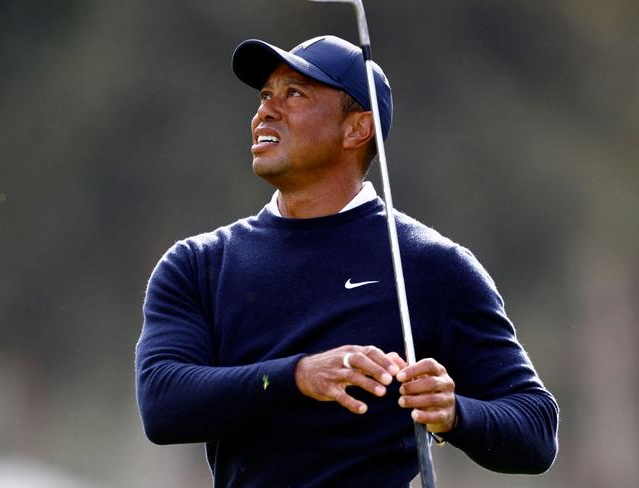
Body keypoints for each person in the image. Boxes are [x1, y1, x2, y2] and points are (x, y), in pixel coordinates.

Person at [135, 35, 559, 487]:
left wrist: (455, 413)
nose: (265, 112)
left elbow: (535, 428)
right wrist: (297, 376)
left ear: (357, 128)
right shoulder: (198, 265)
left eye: (294, 93)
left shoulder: (430, 265)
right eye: (265, 95)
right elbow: (163, 403)